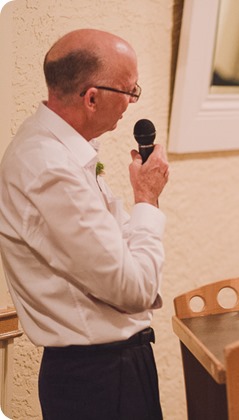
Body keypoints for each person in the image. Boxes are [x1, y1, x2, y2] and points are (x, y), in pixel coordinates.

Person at [0, 29, 169, 419]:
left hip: (111, 369)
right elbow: (134, 289)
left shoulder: (64, 152)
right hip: (97, 380)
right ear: (92, 97)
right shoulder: (48, 168)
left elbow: (121, 246)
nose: (132, 100)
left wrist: (145, 201)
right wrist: (145, 197)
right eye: (129, 90)